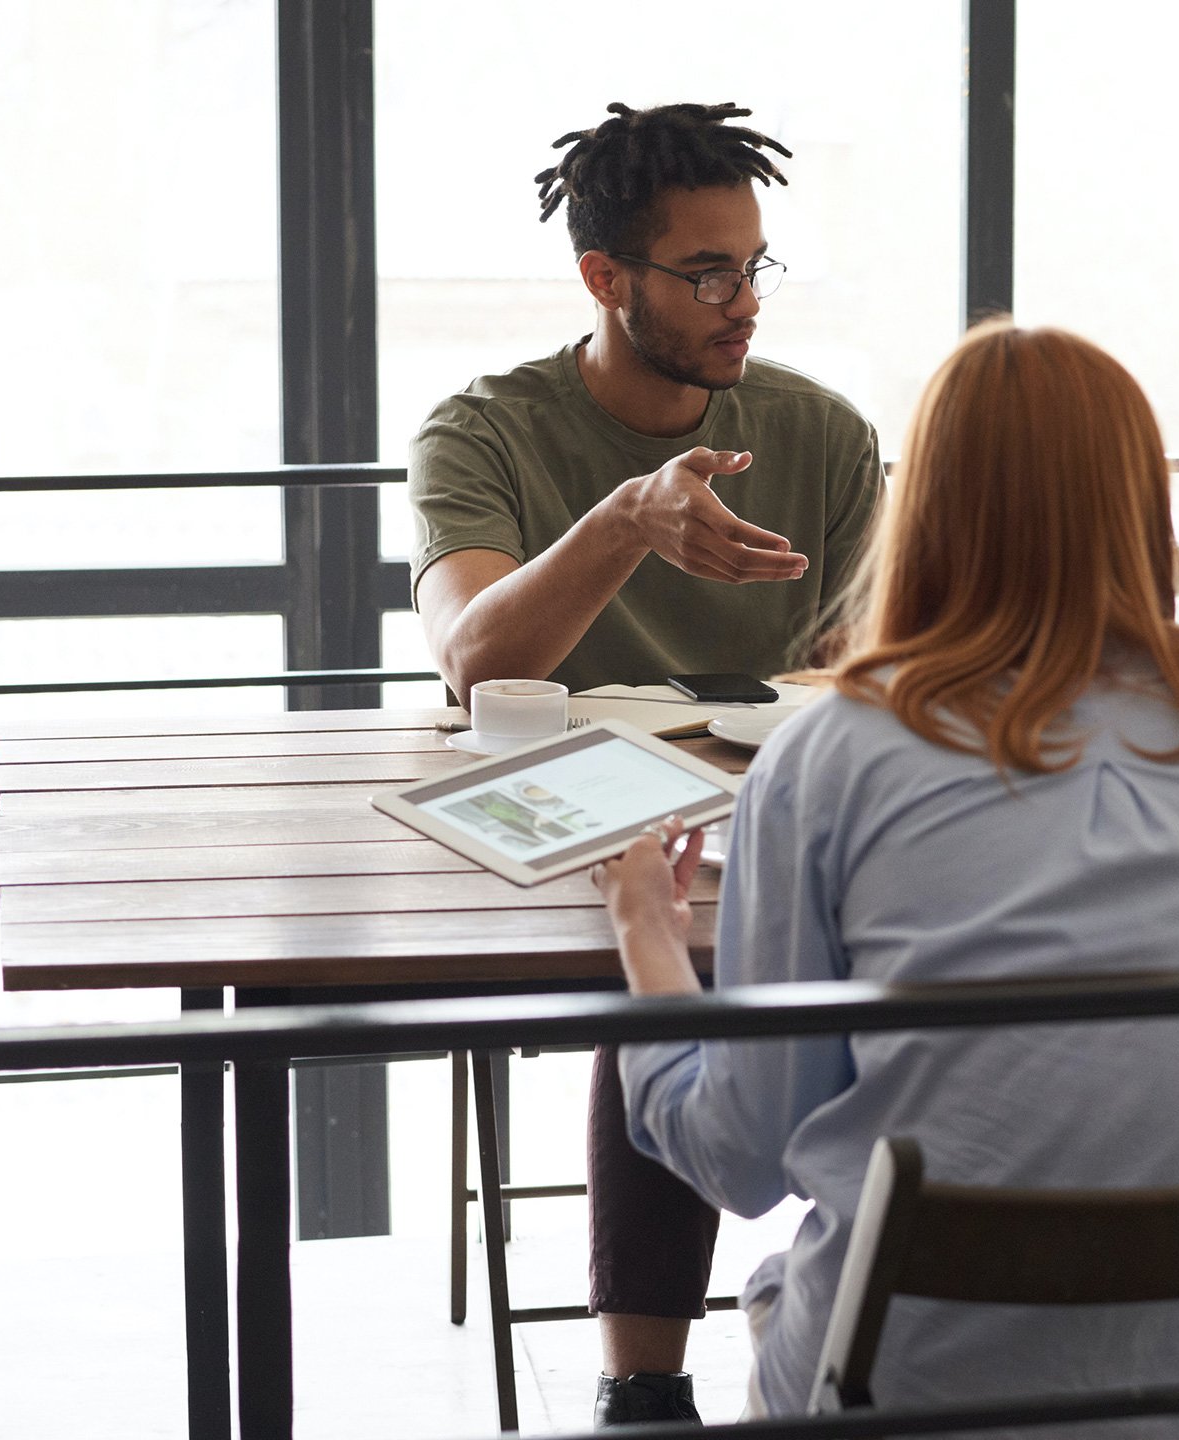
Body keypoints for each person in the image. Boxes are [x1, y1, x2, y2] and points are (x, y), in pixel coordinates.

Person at [593, 322, 1179, 1433]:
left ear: (928, 505)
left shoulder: (831, 753)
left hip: (927, 1378)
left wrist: (647, 938)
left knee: (785, 1295)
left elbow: (742, 1158)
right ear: (1136, 497)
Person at [406, 102, 882, 1425]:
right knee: (654, 935)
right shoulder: (485, 432)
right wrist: (630, 519)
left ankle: (899, 1291)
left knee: (720, 930)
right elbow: (475, 660)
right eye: (707, 272)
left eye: (754, 267)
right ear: (605, 282)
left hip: (777, 819)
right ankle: (646, 1388)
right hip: (570, 828)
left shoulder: (823, 435)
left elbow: (871, 680)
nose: (743, 302)